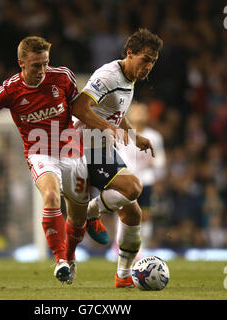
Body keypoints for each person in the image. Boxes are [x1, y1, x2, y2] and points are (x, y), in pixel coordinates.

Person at [0, 36, 120, 284]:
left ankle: (73, 250)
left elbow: (80, 109)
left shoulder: (64, 77)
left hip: (71, 152)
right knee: (52, 196)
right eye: (36, 65)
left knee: (76, 217)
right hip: (39, 153)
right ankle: (60, 261)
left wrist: (106, 126)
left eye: (45, 63)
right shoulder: (9, 90)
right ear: (21, 63)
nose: (42, 70)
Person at [72, 28, 163, 288]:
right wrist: (107, 128)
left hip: (101, 145)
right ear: (129, 53)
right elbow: (79, 107)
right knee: (134, 187)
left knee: (133, 215)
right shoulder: (108, 75)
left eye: (153, 62)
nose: (148, 66)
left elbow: (114, 111)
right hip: (84, 145)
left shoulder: (130, 78)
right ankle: (88, 214)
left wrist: (133, 136)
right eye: (145, 59)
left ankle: (123, 277)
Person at [117, 102, 167, 250]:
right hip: (127, 182)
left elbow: (160, 161)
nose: (139, 115)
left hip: (146, 182)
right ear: (129, 115)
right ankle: (120, 247)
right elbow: (118, 157)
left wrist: (158, 174)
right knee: (124, 215)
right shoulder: (122, 135)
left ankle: (142, 248)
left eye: (142, 112)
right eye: (136, 112)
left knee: (145, 217)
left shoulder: (154, 137)